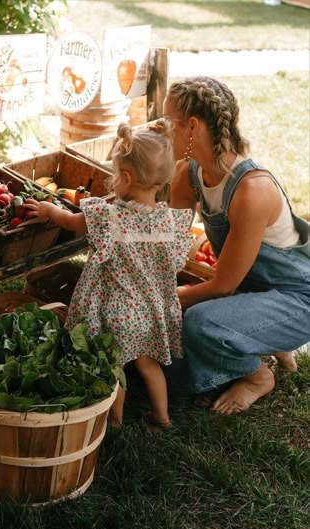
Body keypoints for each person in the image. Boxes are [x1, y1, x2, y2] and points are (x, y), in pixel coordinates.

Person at [25, 122, 193, 428]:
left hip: (117, 311)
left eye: (114, 174)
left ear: (126, 178)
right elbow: (179, 261)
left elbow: (73, 221)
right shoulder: (171, 223)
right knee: (148, 364)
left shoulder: (111, 218)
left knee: (112, 368)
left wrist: (50, 212)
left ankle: (114, 423)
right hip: (150, 311)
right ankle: (162, 417)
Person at [163, 75, 310, 415]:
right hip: (254, 293)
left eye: (170, 121)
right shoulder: (187, 174)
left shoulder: (251, 189)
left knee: (198, 325)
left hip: (297, 298)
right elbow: (173, 248)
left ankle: (258, 376)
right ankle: (258, 338)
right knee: (168, 362)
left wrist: (167, 301)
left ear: (192, 127)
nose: (164, 129)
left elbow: (224, 286)